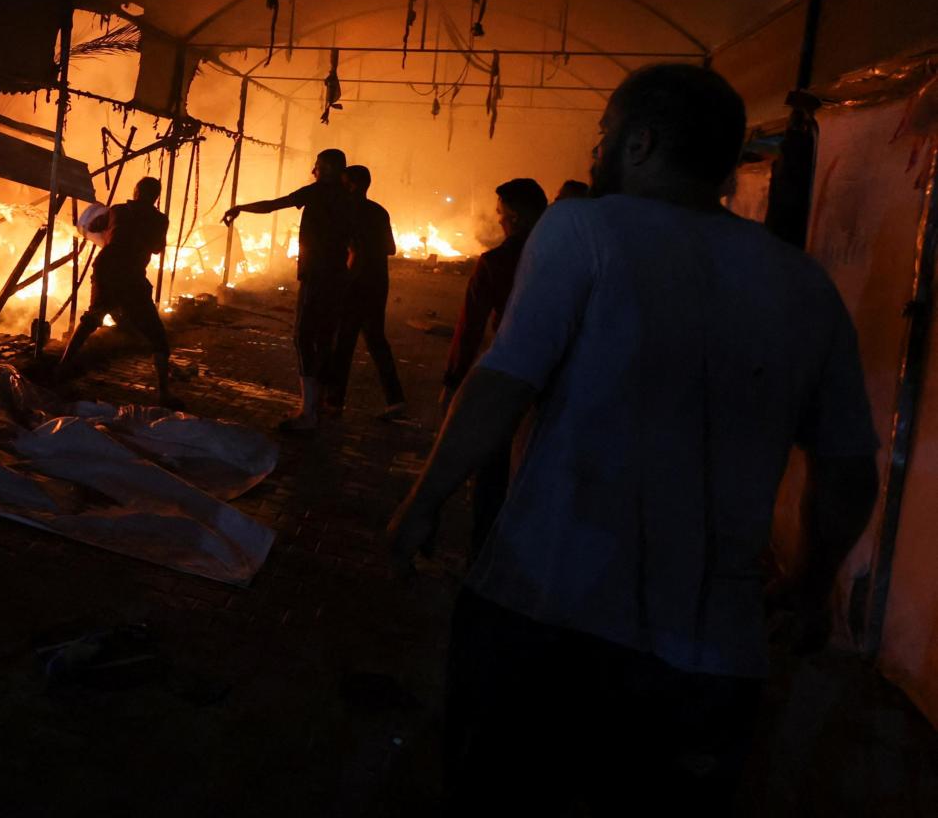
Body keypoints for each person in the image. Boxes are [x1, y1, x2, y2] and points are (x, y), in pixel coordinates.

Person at [387, 64, 879, 816]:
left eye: (605, 136)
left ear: (640, 143)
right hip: (712, 658)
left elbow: (503, 379)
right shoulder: (803, 284)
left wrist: (425, 500)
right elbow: (846, 468)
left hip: (550, 614)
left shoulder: (585, 226)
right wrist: (813, 589)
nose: (598, 151)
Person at [439, 177, 548, 557]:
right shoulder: (571, 257)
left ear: (514, 218)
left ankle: (483, 559)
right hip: (558, 384)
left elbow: (469, 327)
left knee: (492, 470)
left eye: (501, 215)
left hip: (510, 375)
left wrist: (453, 380)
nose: (499, 221)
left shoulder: (497, 263)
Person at [224, 149, 354, 432]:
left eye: (317, 166)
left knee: (304, 336)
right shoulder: (349, 198)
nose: (313, 171)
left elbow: (274, 205)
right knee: (324, 337)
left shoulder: (319, 192)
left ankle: (308, 413)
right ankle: (319, 404)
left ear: (328, 169)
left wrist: (241, 208)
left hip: (317, 275)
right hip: (337, 277)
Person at [59, 176, 182, 409]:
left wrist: (110, 230)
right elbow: (157, 248)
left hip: (107, 268)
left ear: (135, 191)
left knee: (92, 318)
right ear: (156, 197)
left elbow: (93, 226)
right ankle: (164, 394)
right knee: (157, 338)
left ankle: (61, 368)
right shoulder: (160, 220)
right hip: (132, 275)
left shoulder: (117, 210)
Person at [322, 164, 405, 419]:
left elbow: (341, 248)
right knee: (376, 340)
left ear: (353, 185)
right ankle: (395, 400)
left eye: (344, 183)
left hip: (354, 283)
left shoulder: (346, 211)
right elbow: (391, 249)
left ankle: (334, 402)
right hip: (377, 283)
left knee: (344, 342)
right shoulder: (379, 211)